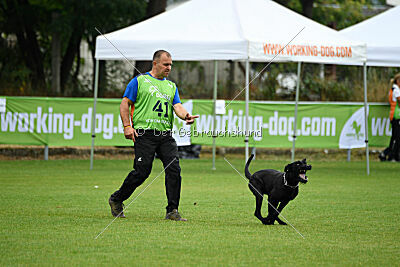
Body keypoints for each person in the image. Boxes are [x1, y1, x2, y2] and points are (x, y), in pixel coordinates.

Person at [109, 50, 198, 221]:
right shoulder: (139, 81)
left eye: (171, 64)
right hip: (144, 135)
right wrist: (127, 126)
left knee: (174, 170)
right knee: (142, 172)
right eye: (166, 64)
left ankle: (172, 210)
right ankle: (117, 199)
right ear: (155, 63)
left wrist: (185, 115)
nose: (169, 68)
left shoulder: (171, 86)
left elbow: (177, 106)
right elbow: (124, 104)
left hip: (165, 135)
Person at [379, 73, 400, 162]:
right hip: (396, 115)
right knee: (396, 137)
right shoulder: (396, 90)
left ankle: (389, 154)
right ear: (398, 81)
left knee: (395, 137)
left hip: (394, 115)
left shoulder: (394, 89)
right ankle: (390, 155)